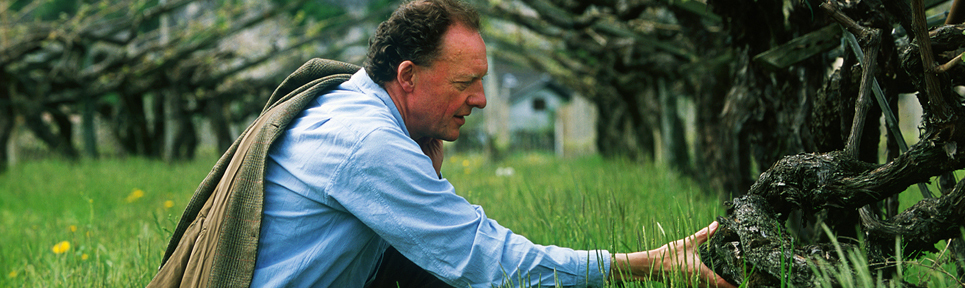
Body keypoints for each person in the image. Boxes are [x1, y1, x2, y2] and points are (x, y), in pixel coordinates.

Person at [148, 0, 737, 287]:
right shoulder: (366, 143)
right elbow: (486, 259)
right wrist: (639, 265)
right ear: (407, 77)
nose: (480, 101)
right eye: (465, 84)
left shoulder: (353, 108)